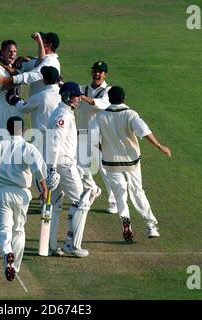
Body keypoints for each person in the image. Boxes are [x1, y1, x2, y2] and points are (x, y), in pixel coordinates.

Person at [90, 86, 171, 243]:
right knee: (137, 191)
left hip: (111, 162)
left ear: (110, 99)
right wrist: (159, 146)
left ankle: (125, 219)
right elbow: (144, 131)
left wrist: (104, 148)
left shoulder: (100, 116)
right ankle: (150, 225)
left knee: (120, 193)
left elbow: (93, 138)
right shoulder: (130, 114)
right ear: (124, 99)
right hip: (131, 162)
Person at [0, 116, 47, 281]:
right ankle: (14, 266)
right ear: (23, 130)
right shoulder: (28, 147)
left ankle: (6, 253)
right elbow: (39, 169)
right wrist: (44, 189)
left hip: (1, 192)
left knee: (3, 229)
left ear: (7, 129)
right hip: (22, 194)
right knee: (18, 230)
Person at [46, 82, 96, 258]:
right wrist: (52, 169)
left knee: (56, 206)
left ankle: (50, 246)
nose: (78, 98)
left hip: (61, 164)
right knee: (83, 201)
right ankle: (72, 245)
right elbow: (54, 143)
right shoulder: (63, 116)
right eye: (76, 96)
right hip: (63, 165)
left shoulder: (63, 113)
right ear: (67, 96)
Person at [77, 61, 118, 214]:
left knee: (105, 170)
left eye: (100, 72)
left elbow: (101, 104)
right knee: (79, 168)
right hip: (82, 135)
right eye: (95, 71)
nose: (97, 74)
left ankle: (113, 202)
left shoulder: (108, 91)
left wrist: (84, 98)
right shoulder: (83, 89)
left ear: (105, 74)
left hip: (100, 137)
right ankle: (92, 190)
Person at [6, 65, 61, 153]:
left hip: (43, 138)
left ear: (44, 80)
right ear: (58, 79)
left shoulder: (40, 96)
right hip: (61, 136)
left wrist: (14, 99)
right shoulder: (64, 94)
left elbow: (23, 108)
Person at [0, 31, 61, 97]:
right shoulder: (43, 59)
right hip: (36, 104)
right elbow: (34, 60)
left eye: (43, 40)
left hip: (45, 105)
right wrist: (20, 59)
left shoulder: (51, 62)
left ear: (49, 44)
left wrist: (4, 80)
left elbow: (32, 76)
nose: (41, 42)